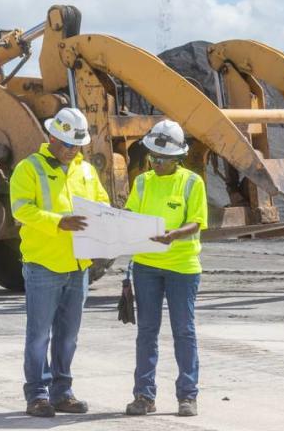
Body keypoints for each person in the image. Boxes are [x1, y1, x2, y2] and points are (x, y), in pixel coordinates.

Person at [9, 107, 110, 418]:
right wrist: (58, 222)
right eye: (67, 144)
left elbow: (102, 204)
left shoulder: (87, 171)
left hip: (78, 267)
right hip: (43, 265)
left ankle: (62, 392)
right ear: (52, 137)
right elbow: (21, 209)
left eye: (77, 145)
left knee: (68, 335)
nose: (72, 150)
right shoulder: (29, 169)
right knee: (39, 334)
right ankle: (37, 395)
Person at [124, 119, 206, 418]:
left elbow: (197, 221)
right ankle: (143, 396)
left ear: (177, 158)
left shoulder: (191, 183)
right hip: (146, 265)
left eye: (163, 159)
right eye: (152, 157)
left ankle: (187, 396)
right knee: (147, 331)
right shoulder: (143, 181)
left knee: (183, 331)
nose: (156, 163)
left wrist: (173, 235)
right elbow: (131, 213)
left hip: (182, 267)